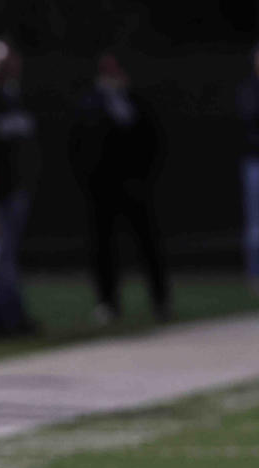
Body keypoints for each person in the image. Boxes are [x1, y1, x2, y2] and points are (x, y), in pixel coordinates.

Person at [69, 52, 169, 324]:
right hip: (101, 189)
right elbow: (77, 147)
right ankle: (107, 301)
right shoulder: (89, 103)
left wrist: (145, 179)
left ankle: (160, 300)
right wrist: (87, 182)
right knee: (103, 248)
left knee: (148, 245)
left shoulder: (135, 102)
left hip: (135, 186)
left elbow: (154, 142)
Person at [0, 37, 41, 337]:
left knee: (5, 258)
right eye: (1, 64)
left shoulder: (22, 98)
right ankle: (1, 319)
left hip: (16, 190)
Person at [236, 42, 259, 294]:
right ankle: (255, 274)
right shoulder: (249, 90)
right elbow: (248, 120)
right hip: (255, 161)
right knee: (255, 224)